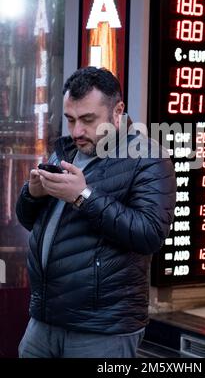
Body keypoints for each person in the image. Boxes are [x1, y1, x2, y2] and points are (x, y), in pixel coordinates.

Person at [16, 66, 176, 358]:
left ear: (118, 111)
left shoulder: (149, 157)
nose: (77, 131)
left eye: (88, 120)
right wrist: (33, 195)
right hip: (44, 319)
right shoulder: (64, 152)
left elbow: (150, 234)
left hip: (103, 329)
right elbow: (30, 221)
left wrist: (83, 197)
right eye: (70, 119)